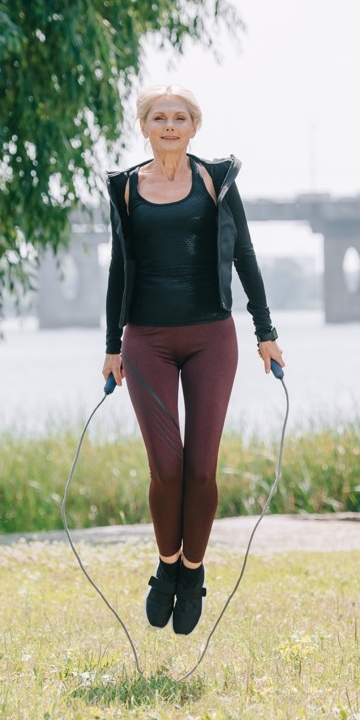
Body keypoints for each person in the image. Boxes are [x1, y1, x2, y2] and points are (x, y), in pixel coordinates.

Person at [102, 84, 284, 636]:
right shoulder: (127, 189)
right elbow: (119, 267)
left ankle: (193, 569)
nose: (170, 126)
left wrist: (265, 332)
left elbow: (245, 255)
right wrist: (112, 345)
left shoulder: (215, 180)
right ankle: (167, 565)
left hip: (212, 338)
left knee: (202, 468)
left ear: (194, 126)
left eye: (180, 118)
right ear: (143, 126)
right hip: (147, 341)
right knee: (167, 467)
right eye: (159, 117)